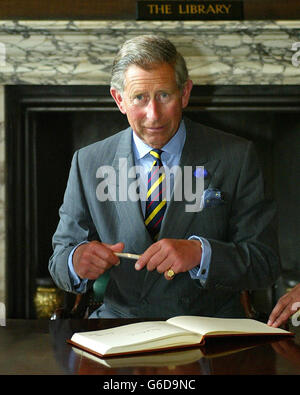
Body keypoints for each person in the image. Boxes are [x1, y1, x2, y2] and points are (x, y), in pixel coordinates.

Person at [49, 35, 280, 319]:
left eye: (164, 96)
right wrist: (75, 262)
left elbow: (265, 263)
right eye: (140, 98)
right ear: (119, 99)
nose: (153, 114)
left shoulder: (237, 157)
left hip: (207, 332)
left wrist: (199, 253)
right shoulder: (88, 162)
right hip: (119, 330)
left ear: (185, 93)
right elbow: (60, 261)